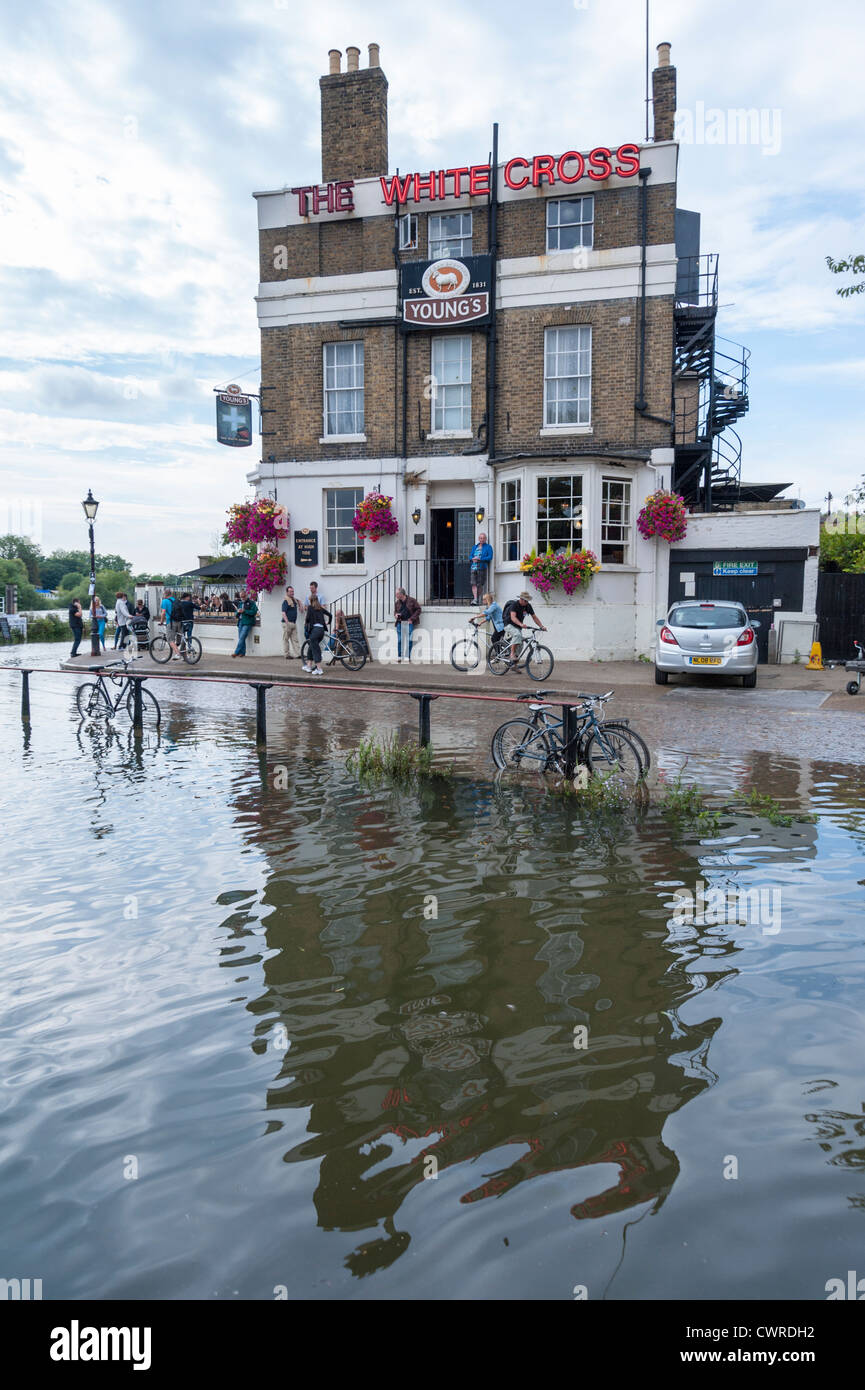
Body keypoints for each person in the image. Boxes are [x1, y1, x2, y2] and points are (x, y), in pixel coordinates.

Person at [502, 591, 547, 663]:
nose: (527, 602)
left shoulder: (528, 606)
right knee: (517, 635)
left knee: (520, 644)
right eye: (526, 601)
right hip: (508, 624)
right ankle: (512, 654)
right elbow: (513, 617)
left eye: (528, 601)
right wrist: (521, 624)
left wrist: (541, 626)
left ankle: (514, 664)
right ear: (521, 599)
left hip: (518, 626)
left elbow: (534, 617)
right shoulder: (514, 605)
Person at [303, 596, 331, 675]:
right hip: (321, 631)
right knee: (311, 647)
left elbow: (307, 618)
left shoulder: (310, 608)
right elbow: (330, 615)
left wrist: (306, 624)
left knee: (315, 650)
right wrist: (328, 622)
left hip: (315, 631)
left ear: (311, 601)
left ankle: (319, 669)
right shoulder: (320, 608)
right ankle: (308, 666)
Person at [394, 587, 421, 662]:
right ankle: (399, 656)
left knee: (409, 640)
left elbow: (418, 609)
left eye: (397, 594)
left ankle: (407, 656)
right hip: (400, 623)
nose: (396, 595)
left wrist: (412, 619)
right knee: (400, 640)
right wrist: (396, 615)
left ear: (401, 594)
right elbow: (395, 611)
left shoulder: (412, 600)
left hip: (408, 623)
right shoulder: (397, 603)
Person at [469, 532, 494, 605]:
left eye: (483, 538)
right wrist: (472, 558)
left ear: (485, 539)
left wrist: (480, 559)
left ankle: (479, 598)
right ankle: (475, 599)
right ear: (478, 539)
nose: (481, 539)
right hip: (473, 567)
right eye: (480, 538)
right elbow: (470, 556)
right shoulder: (475, 547)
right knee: (473, 583)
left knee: (480, 584)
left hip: (482, 567)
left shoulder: (488, 547)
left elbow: (490, 557)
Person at [232, 591, 259, 658]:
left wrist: (245, 611)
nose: (242, 598)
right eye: (241, 597)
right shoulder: (240, 603)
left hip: (247, 622)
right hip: (240, 621)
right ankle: (242, 652)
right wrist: (237, 612)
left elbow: (254, 612)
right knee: (241, 637)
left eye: (243, 596)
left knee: (242, 637)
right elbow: (236, 613)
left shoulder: (251, 603)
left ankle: (236, 652)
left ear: (246, 596)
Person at [281, 585, 303, 659]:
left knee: (295, 639)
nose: (292, 593)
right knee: (286, 639)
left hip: (293, 623)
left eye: (292, 591)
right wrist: (287, 623)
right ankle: (287, 654)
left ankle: (298, 654)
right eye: (290, 591)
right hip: (287, 623)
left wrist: (300, 606)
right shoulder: (286, 601)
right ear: (287, 592)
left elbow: (298, 601)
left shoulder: (294, 600)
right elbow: (283, 613)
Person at [160, 588, 181, 658]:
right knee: (180, 640)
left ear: (165, 594)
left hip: (171, 622)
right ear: (171, 594)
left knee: (170, 640)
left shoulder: (164, 601)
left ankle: (178, 654)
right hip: (180, 622)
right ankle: (185, 656)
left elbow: (163, 613)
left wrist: (161, 622)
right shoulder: (176, 600)